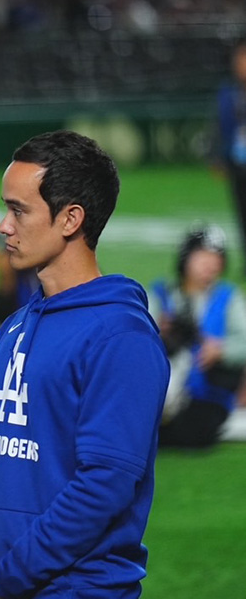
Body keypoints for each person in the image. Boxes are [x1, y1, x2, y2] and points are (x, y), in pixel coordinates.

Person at [0, 130, 169, 599]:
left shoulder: (120, 335)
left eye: (18, 210)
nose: (4, 225)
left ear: (70, 219)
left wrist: (8, 575)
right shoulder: (14, 327)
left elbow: (104, 484)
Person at [148, 223, 246, 447]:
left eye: (216, 260)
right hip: (163, 384)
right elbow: (134, 338)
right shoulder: (161, 295)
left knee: (196, 430)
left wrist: (220, 349)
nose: (210, 266)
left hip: (208, 391)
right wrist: (158, 334)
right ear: (186, 258)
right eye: (203, 258)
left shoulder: (228, 298)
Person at [215, 38, 246, 269]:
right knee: (242, 213)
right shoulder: (228, 92)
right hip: (238, 163)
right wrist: (218, 157)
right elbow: (220, 126)